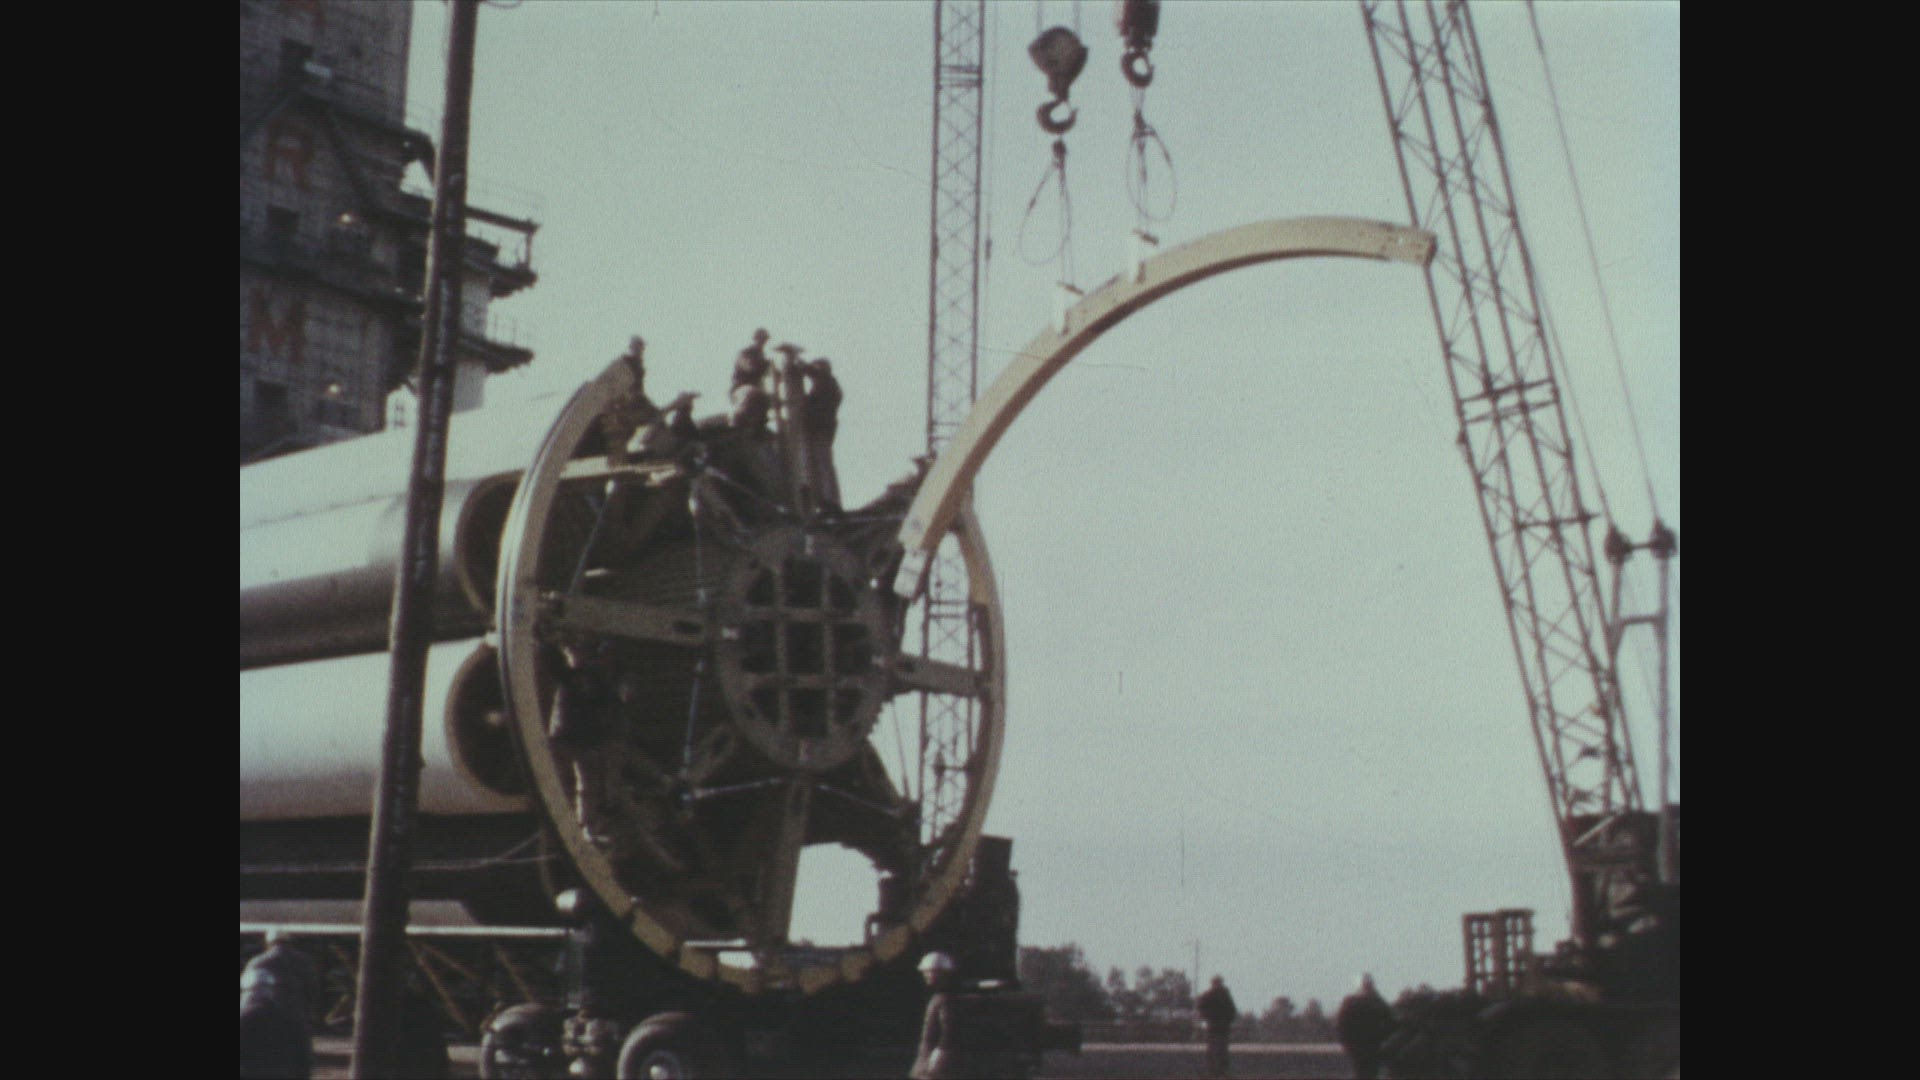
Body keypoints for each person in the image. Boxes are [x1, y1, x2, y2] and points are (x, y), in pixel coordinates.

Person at [239, 931, 322, 1079]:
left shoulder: (256, 961)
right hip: (287, 1010)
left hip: (247, 1012)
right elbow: (312, 990)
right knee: (300, 1050)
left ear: (268, 943)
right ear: (290, 942)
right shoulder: (304, 960)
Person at [909, 952, 973, 1080]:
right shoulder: (939, 998)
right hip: (930, 1061)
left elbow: (949, 1029)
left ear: (942, 974)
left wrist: (939, 1054)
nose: (926, 976)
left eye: (929, 972)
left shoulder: (945, 1000)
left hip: (936, 1065)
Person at [801, 358, 843, 510]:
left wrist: (799, 364)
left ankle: (829, 500)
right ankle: (826, 500)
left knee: (822, 464)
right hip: (821, 429)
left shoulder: (827, 383)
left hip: (820, 429)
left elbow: (814, 372)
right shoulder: (828, 384)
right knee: (820, 464)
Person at [1336, 973, 1397, 1080]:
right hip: (1370, 1047)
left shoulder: (1351, 1002)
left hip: (1363, 1047)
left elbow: (1341, 1025)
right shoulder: (1377, 1002)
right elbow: (1390, 1023)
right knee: (1368, 1073)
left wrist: (1347, 1044)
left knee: (1362, 1073)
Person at [1195, 975, 1238, 1079]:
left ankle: (1220, 1073)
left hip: (1220, 1029)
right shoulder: (1214, 996)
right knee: (1214, 1052)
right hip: (1215, 1029)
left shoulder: (1224, 996)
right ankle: (1215, 1073)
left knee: (1220, 1052)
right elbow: (1201, 1009)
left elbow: (1232, 1012)